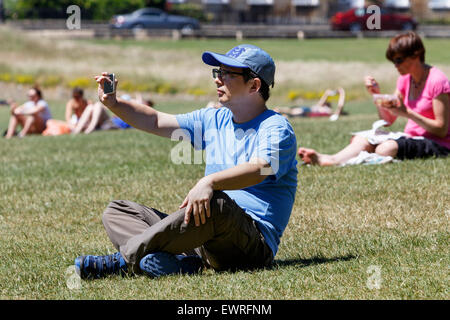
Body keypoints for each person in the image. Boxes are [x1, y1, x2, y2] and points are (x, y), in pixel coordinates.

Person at [74, 44, 298, 279]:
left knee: (216, 203)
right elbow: (156, 121)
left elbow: (260, 168)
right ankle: (178, 263)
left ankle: (123, 261)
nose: (217, 80)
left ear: (254, 85)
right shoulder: (214, 119)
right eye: (217, 72)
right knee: (118, 211)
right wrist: (115, 105)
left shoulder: (276, 127)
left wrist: (210, 182)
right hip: (204, 238)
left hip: (250, 245)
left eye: (227, 74)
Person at [298, 32, 450, 166]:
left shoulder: (437, 81)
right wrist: (376, 95)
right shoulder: (405, 80)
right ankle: (331, 160)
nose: (395, 65)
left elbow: (441, 130)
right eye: (393, 61)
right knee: (361, 139)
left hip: (438, 144)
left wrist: (409, 113)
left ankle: (352, 158)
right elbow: (389, 119)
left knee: (385, 148)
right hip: (411, 137)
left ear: (416, 55)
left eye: (398, 60)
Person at [274, 88, 346, 120]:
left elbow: (340, 106)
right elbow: (323, 99)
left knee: (291, 113)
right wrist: (329, 93)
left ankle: (278, 111)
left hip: (309, 112)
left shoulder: (332, 113)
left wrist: (342, 92)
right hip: (309, 110)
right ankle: (278, 111)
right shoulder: (324, 108)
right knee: (291, 112)